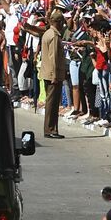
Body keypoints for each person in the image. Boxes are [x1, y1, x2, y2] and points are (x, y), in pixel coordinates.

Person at [40, 9, 66, 139]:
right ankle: (51, 129)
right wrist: (55, 75)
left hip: (46, 72)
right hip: (52, 74)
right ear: (58, 22)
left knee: (51, 102)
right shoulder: (54, 36)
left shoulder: (47, 33)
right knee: (52, 103)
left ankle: (49, 128)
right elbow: (53, 57)